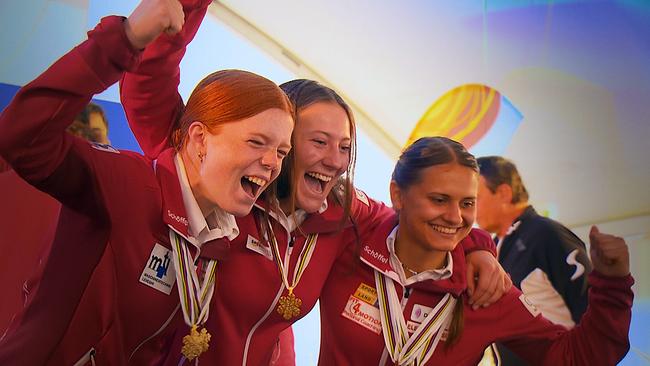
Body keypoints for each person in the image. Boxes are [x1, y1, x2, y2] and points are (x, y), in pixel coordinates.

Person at [119, 1, 511, 364]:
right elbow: (147, 92)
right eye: (319, 142)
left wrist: (478, 246)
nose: (335, 161)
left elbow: (411, 218)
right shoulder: (225, 181)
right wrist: (178, 12)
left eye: (344, 146)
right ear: (284, 140)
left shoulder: (342, 212)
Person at [0, 0, 294, 364]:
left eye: (282, 151)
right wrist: (122, 40)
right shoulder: (123, 182)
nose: (272, 163)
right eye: (257, 142)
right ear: (199, 138)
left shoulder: (217, 240)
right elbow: (20, 137)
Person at [318, 136, 633, 365]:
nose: (456, 217)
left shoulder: (486, 290)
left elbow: (577, 357)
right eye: (439, 200)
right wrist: (478, 243)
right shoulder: (350, 243)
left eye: (467, 203)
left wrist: (613, 285)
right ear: (397, 195)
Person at [476, 156, 592, 364]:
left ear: (503, 193)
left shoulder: (546, 233)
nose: (469, 209)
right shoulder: (491, 251)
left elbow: (592, 311)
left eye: (475, 198)